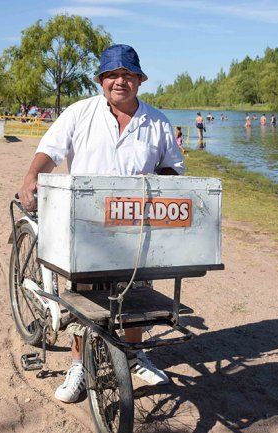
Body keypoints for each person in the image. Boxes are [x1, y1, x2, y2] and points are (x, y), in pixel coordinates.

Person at [18, 44, 183, 404]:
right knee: (83, 297)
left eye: (127, 74)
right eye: (112, 74)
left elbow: (172, 166)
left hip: (136, 224)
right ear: (101, 80)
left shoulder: (157, 121)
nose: (119, 81)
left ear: (139, 80)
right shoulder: (79, 114)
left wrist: (167, 183)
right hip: (86, 224)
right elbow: (51, 149)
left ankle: (135, 354)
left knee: (137, 293)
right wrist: (32, 175)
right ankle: (78, 364)